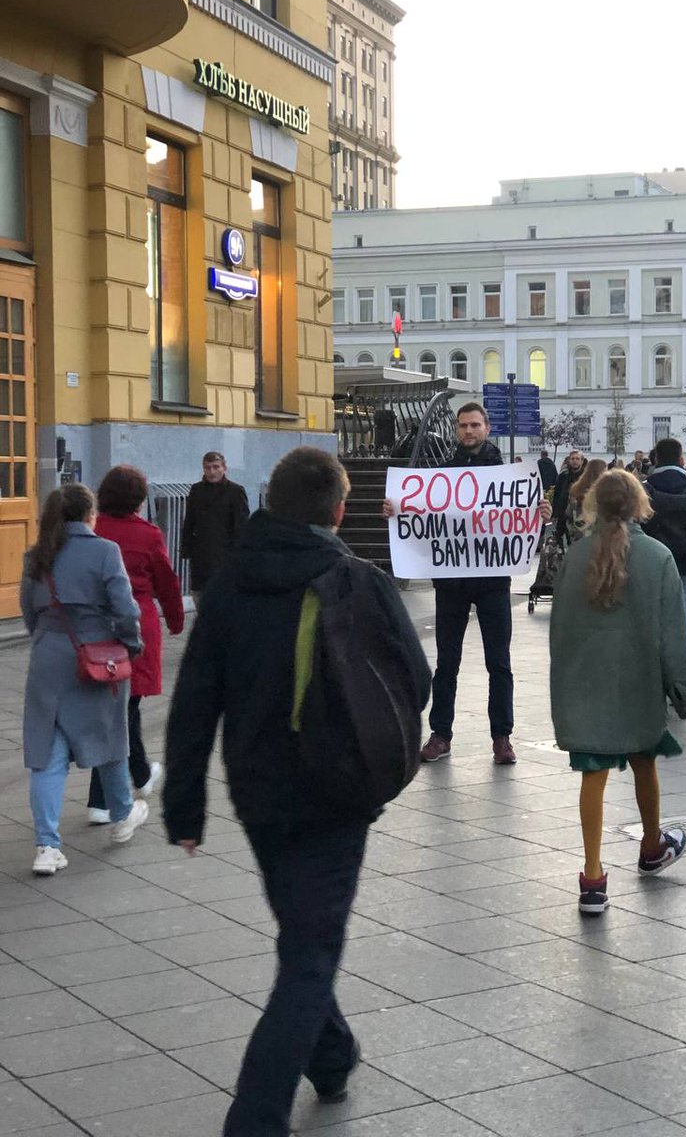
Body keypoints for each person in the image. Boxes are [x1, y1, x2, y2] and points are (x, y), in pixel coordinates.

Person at [164, 448, 431, 1137]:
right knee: (310, 952)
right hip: (338, 794)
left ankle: (334, 1053)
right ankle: (254, 1119)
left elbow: (194, 703)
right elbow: (417, 676)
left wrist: (184, 805)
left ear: (268, 503)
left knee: (303, 935)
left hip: (257, 792)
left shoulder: (226, 587)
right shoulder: (359, 579)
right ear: (338, 511)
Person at [550, 470, 686, 914]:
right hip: (639, 682)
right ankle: (651, 844)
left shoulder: (576, 555)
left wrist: (562, 689)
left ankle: (592, 877)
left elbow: (559, 631)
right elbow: (673, 637)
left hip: (586, 682)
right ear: (640, 504)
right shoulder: (657, 556)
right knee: (645, 760)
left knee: (593, 776)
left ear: (593, 505)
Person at [383, 402, 552, 765]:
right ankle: (440, 734)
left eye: (475, 425)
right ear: (457, 430)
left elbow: (522, 516)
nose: (468, 431)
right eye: (463, 426)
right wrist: (398, 510)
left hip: (492, 581)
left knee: (499, 663)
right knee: (446, 662)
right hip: (452, 582)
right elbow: (424, 512)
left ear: (487, 428)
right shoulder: (443, 474)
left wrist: (540, 515)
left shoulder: (509, 476)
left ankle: (502, 737)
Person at [20, 484, 148, 874]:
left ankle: (47, 845)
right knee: (108, 737)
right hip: (98, 657)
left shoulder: (36, 556)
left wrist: (46, 640)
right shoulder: (105, 552)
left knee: (47, 754)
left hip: (48, 657)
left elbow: (28, 610)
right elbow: (126, 609)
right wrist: (131, 644)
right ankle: (122, 814)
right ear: (90, 515)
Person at [86, 466, 184, 824]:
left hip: (94, 626)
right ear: (139, 499)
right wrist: (175, 619)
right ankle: (103, 798)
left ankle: (140, 775)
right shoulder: (147, 534)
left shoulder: (93, 529)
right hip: (135, 627)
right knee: (122, 710)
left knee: (120, 709)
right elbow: (167, 580)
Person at [641, 437, 686, 651]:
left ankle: (657, 674)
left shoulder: (643, 492)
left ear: (656, 460)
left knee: (654, 624)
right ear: (682, 460)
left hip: (651, 568)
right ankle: (682, 676)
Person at [180, 451, 249, 607]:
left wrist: (238, 554)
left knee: (222, 599)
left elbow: (241, 526)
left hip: (225, 555)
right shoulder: (196, 490)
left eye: (216, 467)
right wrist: (186, 548)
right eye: (207, 468)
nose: (212, 472)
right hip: (201, 555)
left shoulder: (235, 491)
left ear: (224, 468)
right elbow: (190, 521)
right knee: (200, 596)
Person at [563, 459, 606, 544]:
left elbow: (568, 512)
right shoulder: (603, 490)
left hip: (579, 530)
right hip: (597, 532)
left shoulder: (576, 488)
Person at [552, 449, 587, 541]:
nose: (575, 461)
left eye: (577, 458)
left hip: (581, 513)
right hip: (564, 512)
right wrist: (555, 513)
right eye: (573, 458)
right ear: (569, 460)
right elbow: (557, 494)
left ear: (582, 461)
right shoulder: (563, 476)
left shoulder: (586, 477)